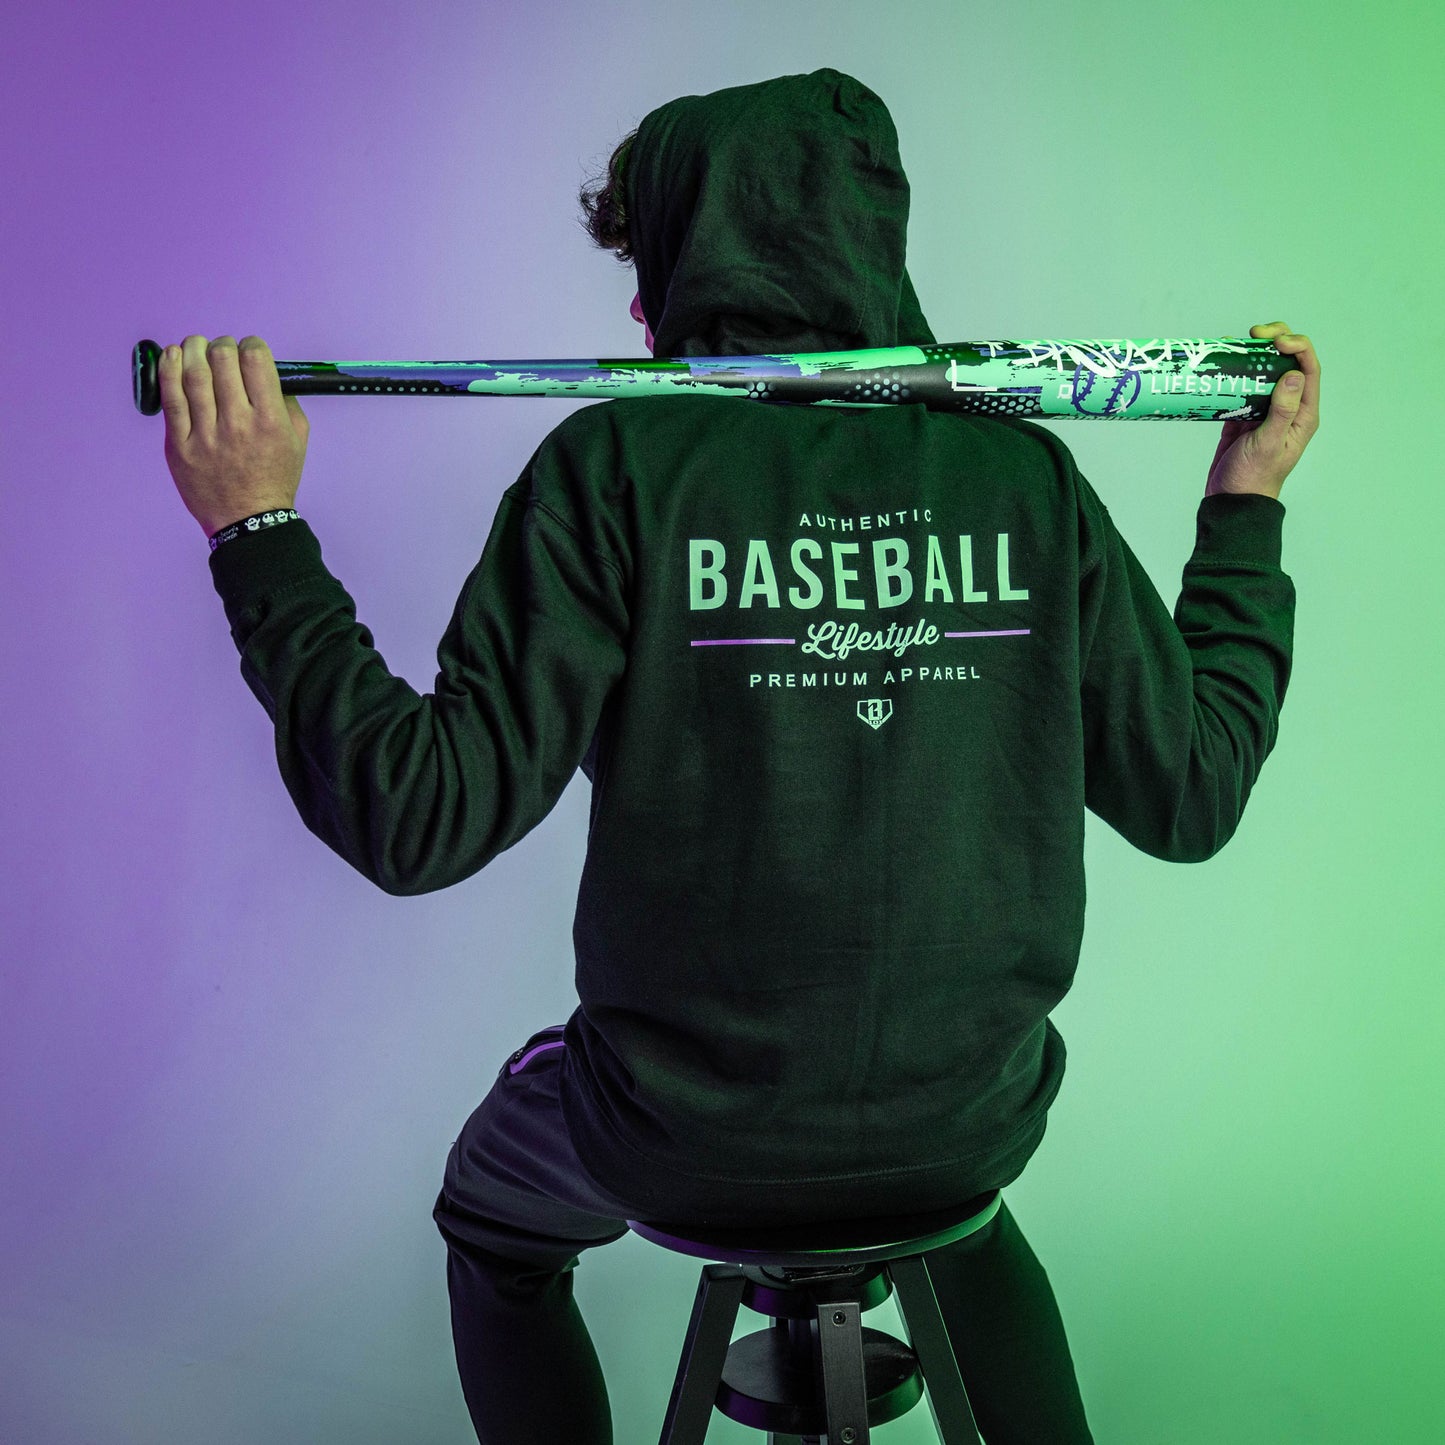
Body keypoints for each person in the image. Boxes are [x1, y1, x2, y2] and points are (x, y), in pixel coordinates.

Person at [158, 67, 1319, 1445]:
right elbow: (1193, 791)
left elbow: (413, 816)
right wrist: (1246, 504)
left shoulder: (616, 469)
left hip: (682, 1136)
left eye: (650, 263)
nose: (638, 314)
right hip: (967, 1119)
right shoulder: (1024, 479)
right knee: (956, 1204)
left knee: (495, 1225)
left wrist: (256, 534)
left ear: (696, 266)